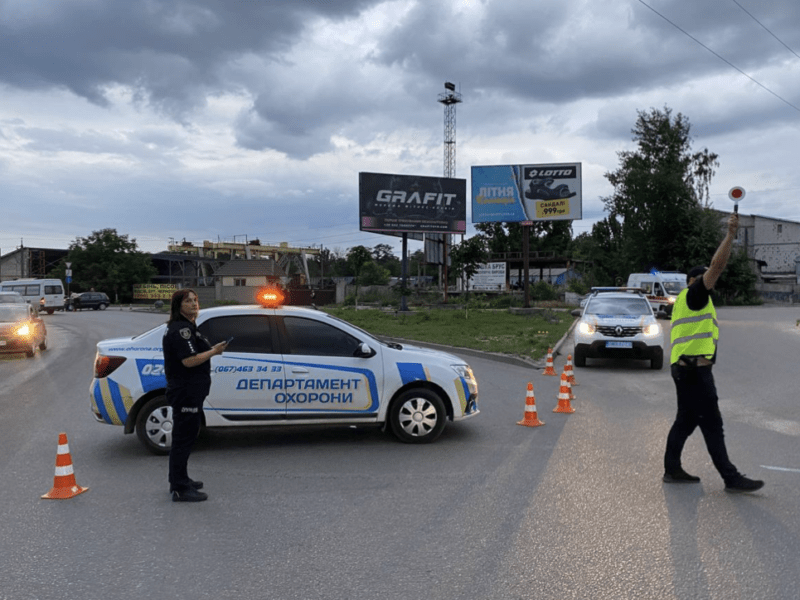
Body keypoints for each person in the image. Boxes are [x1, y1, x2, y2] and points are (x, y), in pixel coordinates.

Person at [663, 213, 764, 493]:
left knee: (686, 421)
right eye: (706, 277)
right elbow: (717, 266)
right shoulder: (695, 295)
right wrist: (730, 236)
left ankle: (672, 469)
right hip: (693, 370)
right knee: (712, 424)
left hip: (687, 368)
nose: (712, 282)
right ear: (694, 280)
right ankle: (730, 478)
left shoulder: (689, 301)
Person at [163, 289, 227, 502]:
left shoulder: (188, 327)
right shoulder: (181, 330)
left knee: (187, 438)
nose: (193, 304)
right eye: (188, 301)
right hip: (186, 392)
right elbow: (189, 360)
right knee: (183, 439)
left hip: (190, 391)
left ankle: (181, 479)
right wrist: (214, 351)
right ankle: (180, 488)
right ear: (178, 306)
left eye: (195, 300)